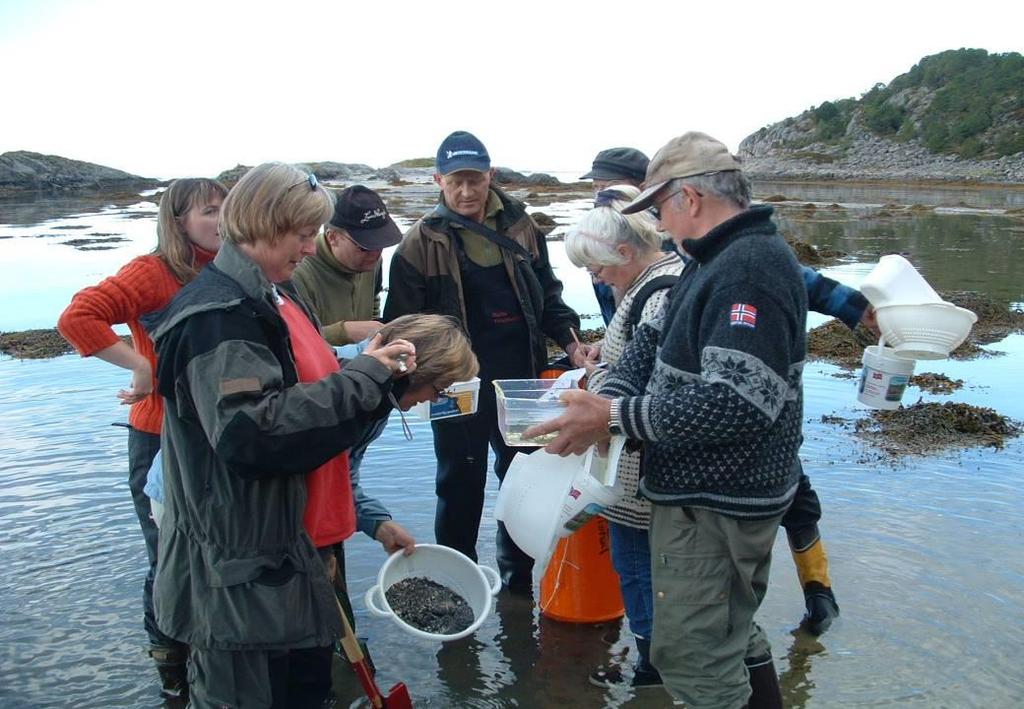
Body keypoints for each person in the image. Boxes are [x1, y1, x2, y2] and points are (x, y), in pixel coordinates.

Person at [526, 132, 809, 708]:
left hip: (721, 500)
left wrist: (613, 413)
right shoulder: (706, 263)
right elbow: (644, 348)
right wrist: (611, 402)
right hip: (703, 493)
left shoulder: (747, 270)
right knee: (731, 633)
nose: (656, 221)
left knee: (694, 658)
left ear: (691, 198)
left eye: (658, 207)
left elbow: (740, 402)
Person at [142, 162, 416, 708]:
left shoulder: (277, 296)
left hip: (293, 556)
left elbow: (310, 412)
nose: (311, 249)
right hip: (241, 576)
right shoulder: (216, 316)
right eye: (303, 234)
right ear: (262, 224)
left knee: (307, 693)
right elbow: (252, 435)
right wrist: (365, 377)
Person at [384, 130, 587, 592]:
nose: (467, 191)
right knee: (458, 483)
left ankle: (518, 586)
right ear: (438, 180)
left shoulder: (521, 226)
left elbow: (550, 296)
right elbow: (401, 324)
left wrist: (572, 342)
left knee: (525, 479)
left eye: (475, 179)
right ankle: (456, 585)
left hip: (522, 379)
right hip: (454, 387)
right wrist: (404, 385)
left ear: (490, 175)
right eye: (456, 181)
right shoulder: (419, 243)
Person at [57, 177, 228, 703]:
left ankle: (209, 657)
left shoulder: (225, 269)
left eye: (226, 209)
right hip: (157, 439)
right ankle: (170, 673)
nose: (221, 220)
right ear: (177, 220)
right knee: (167, 557)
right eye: (208, 211)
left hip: (213, 436)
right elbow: (77, 317)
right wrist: (139, 367)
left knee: (214, 555)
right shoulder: (152, 271)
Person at [565, 185, 683, 690]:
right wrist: (601, 356)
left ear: (628, 252)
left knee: (638, 569)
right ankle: (656, 658)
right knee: (643, 568)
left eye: (598, 267)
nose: (595, 277)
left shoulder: (658, 292)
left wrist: (599, 393)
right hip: (641, 454)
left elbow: (655, 379)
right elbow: (632, 359)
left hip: (641, 466)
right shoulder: (654, 281)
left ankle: (653, 671)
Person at [291, 185, 408, 552]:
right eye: (364, 246)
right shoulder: (297, 270)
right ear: (332, 236)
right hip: (316, 393)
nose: (375, 254)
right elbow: (289, 342)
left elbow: (372, 302)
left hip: (355, 375)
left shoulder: (372, 261)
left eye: (381, 244)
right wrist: (345, 330)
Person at [579, 147, 651, 325]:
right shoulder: (599, 237)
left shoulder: (661, 240)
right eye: (595, 187)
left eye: (608, 187)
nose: (599, 195)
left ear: (642, 188)